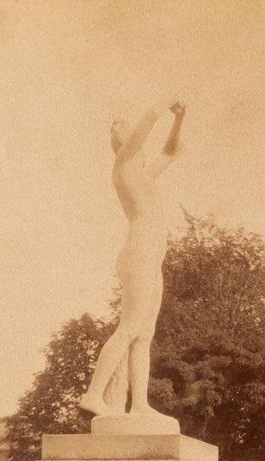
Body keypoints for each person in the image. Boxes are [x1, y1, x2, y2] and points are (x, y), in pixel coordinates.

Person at [79, 97, 185, 421]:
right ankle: (94, 394)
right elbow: (142, 132)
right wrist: (163, 104)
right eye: (117, 129)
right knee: (129, 328)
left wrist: (180, 119)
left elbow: (170, 152)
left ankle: (139, 403)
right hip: (138, 252)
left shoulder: (145, 175)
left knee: (144, 334)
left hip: (152, 257)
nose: (120, 131)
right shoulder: (123, 165)